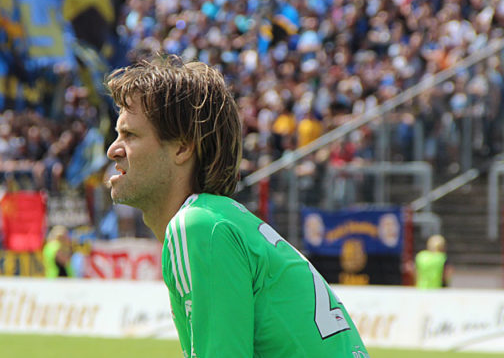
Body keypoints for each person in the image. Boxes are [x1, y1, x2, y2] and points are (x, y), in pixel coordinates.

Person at [105, 55, 368, 357]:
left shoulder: (199, 226)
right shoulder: (221, 220)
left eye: (130, 135)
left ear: (182, 147)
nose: (113, 149)